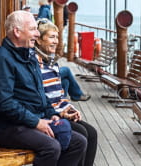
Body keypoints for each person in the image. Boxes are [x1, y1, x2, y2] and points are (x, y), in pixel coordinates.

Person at [0, 10, 87, 166]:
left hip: (32, 119)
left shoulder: (29, 57)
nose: (37, 34)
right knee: (51, 147)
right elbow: (4, 104)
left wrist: (52, 114)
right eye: (33, 29)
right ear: (17, 32)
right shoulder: (1, 60)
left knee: (78, 141)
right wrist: (36, 122)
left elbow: (41, 94)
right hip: (8, 127)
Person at [35, 18, 97, 166]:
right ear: (38, 40)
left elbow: (59, 96)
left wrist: (70, 108)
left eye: (57, 37)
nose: (56, 41)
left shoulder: (53, 63)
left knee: (92, 133)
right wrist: (61, 113)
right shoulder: (36, 65)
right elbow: (43, 98)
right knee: (82, 135)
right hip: (48, 114)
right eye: (51, 37)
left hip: (58, 111)